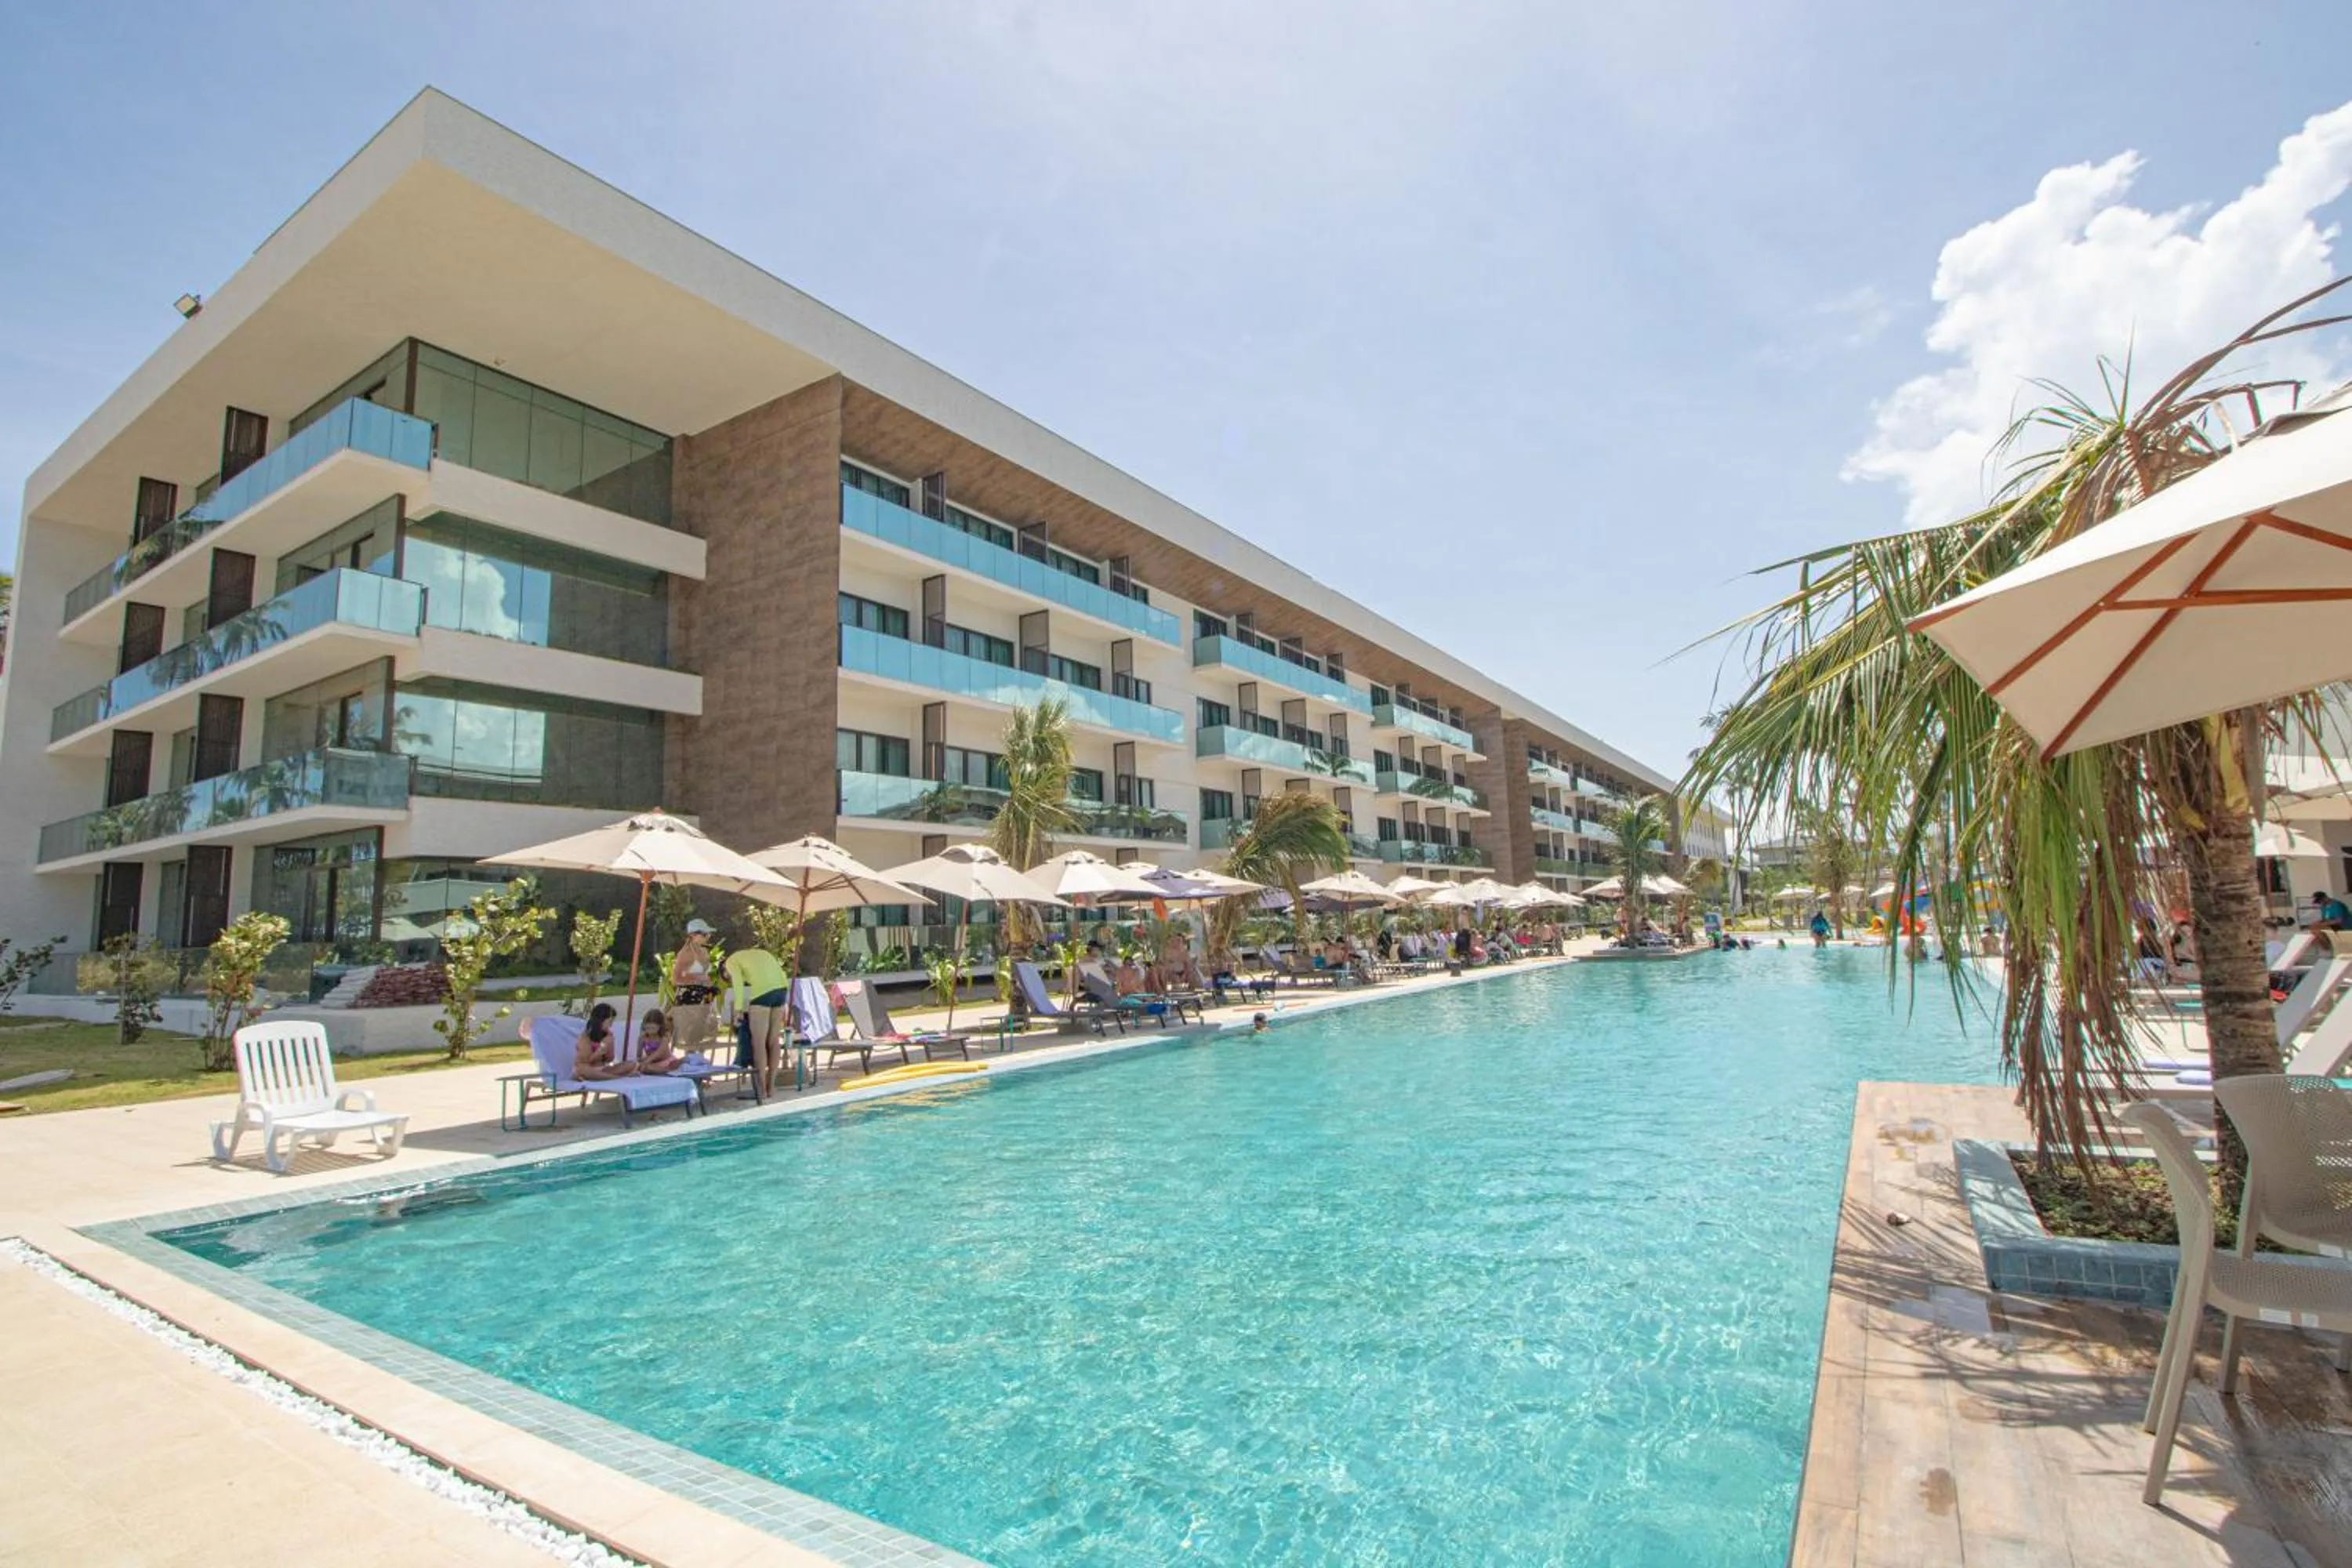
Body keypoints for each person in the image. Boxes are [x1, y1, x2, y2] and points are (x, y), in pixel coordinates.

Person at [722, 939, 789, 1097]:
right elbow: (780, 973)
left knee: (758, 1042)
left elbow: (738, 983)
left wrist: (738, 1009)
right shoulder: (760, 954)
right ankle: (771, 1087)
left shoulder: (731, 962)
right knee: (773, 1041)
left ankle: (761, 1089)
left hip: (762, 994)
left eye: (727, 978)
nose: (730, 979)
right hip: (781, 990)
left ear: (724, 969)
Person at [670, 919, 718, 1056]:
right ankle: (691, 1061)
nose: (707, 937)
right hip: (689, 997)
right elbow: (676, 979)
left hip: (702, 995)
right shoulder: (685, 953)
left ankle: (700, 1061)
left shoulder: (703, 951)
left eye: (708, 934)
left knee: (704, 1031)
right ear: (693, 935)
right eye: (704, 934)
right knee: (691, 1035)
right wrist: (698, 978)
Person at [575, 1003, 641, 1080]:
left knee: (631, 1064)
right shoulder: (585, 1037)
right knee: (581, 1070)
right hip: (588, 1069)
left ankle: (604, 1077)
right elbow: (585, 1061)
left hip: (603, 1070)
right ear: (600, 1020)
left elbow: (609, 1060)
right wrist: (597, 1054)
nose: (611, 1025)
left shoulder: (608, 1036)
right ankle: (619, 1078)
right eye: (610, 1022)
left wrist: (610, 1044)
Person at [634, 1008, 682, 1073]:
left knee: (675, 1063)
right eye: (647, 1028)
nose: (649, 1030)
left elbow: (657, 1054)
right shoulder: (643, 1038)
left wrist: (645, 1062)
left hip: (667, 1062)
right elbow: (638, 1055)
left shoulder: (663, 1039)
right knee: (642, 1067)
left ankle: (669, 1070)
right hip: (653, 1063)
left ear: (660, 1027)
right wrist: (639, 1062)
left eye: (653, 1028)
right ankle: (663, 1071)